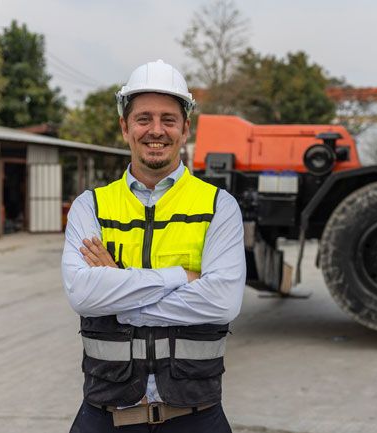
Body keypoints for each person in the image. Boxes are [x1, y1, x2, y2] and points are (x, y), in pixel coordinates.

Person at [61, 59, 246, 432]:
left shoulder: (218, 206)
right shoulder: (91, 206)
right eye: (144, 118)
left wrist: (118, 288)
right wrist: (182, 277)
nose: (156, 130)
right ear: (125, 127)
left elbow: (222, 301)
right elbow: (83, 294)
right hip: (104, 416)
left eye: (168, 119)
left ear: (185, 129)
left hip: (196, 417)